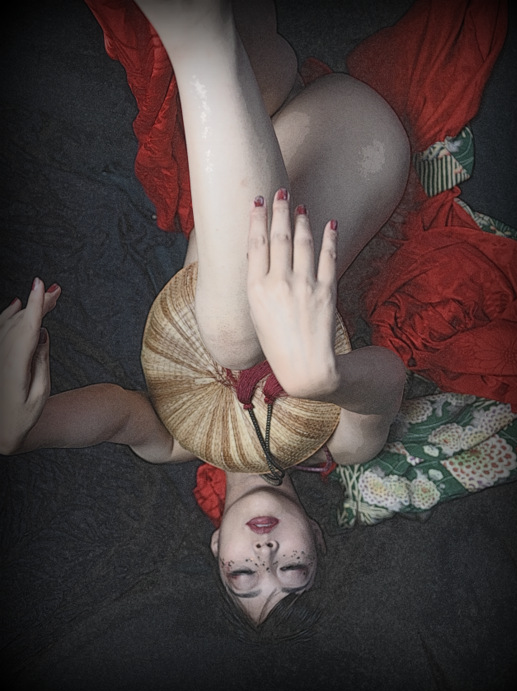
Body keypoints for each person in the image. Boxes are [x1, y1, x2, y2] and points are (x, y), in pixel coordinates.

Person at [0, 0, 409, 624]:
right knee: (234, 341)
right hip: (355, 146)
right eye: (291, 570)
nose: (265, 555)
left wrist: (21, 435)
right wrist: (323, 381)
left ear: (217, 549)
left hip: (256, 129)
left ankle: (216, 48)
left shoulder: (175, 441)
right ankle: (203, 44)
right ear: (319, 542)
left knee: (255, 63)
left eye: (245, 575)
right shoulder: (337, 447)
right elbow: (387, 385)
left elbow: (113, 418)